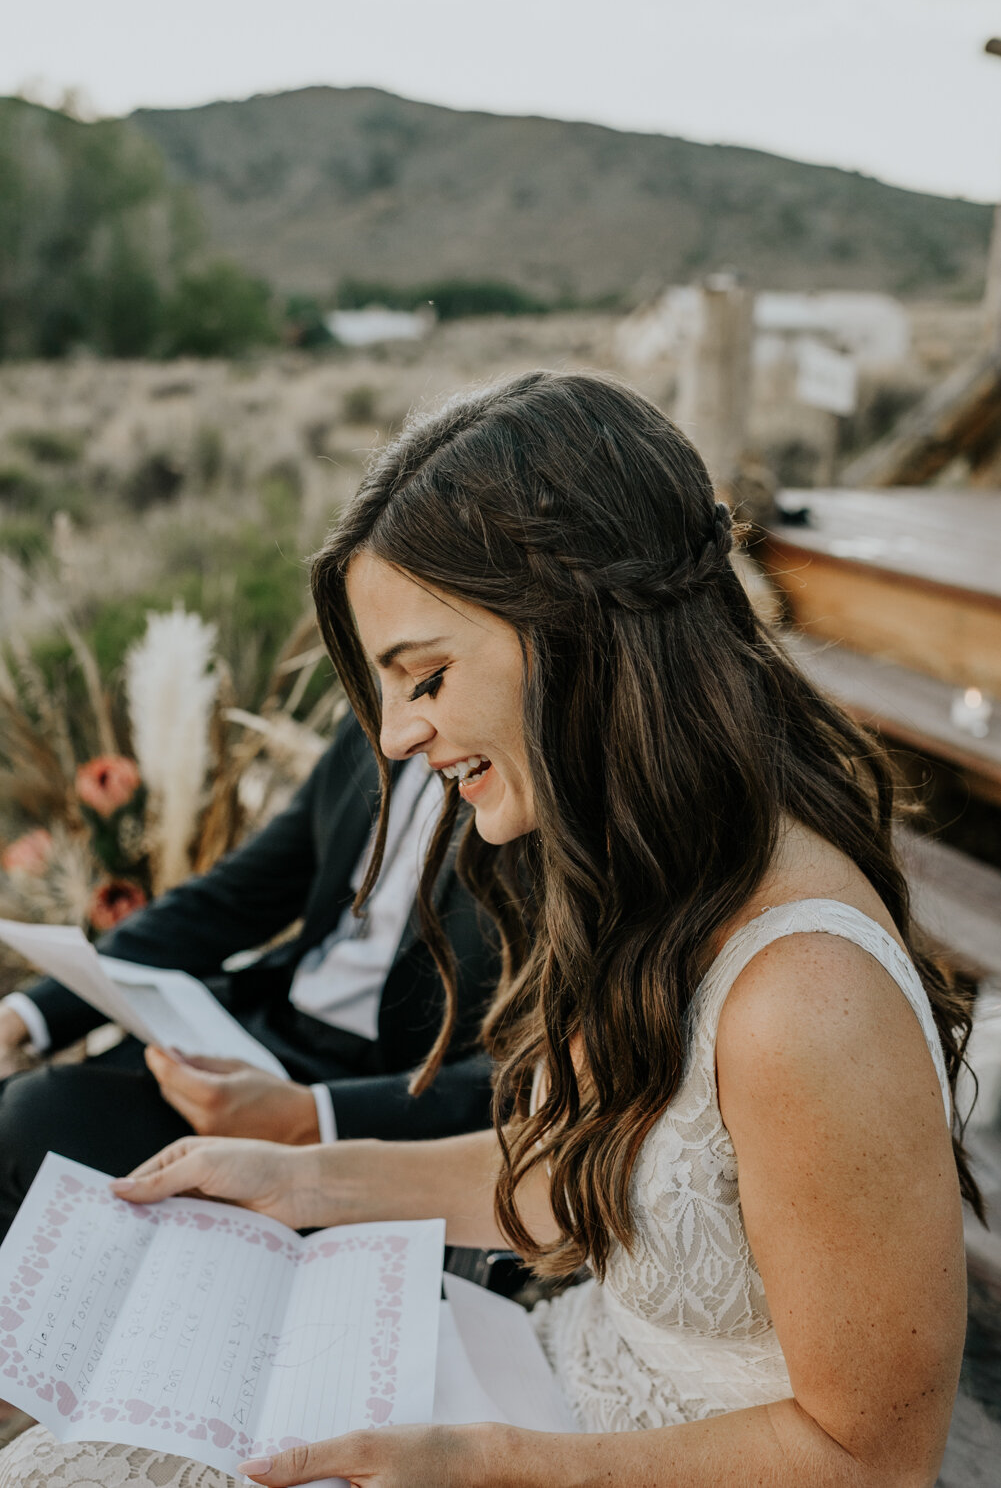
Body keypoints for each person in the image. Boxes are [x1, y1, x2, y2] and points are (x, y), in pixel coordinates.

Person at [2, 371, 977, 1488]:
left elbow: (873, 1462)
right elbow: (586, 1178)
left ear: (578, 633)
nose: (401, 734)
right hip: (545, 1379)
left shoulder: (805, 999)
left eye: (425, 677)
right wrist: (303, 1178)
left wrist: (489, 1462)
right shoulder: (648, 879)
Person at [0, 706, 501, 1241]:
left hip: (389, 1108)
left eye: (423, 671)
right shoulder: (382, 708)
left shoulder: (549, 789)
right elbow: (234, 897)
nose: (392, 722)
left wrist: (316, 1117)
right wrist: (24, 1015)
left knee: (34, 1120)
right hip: (249, 1027)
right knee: (21, 1105)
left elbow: (536, 1072)